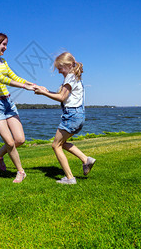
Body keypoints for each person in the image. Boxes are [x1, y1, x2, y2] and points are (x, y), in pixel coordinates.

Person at [0, 32, 35, 183]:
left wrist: (33, 85)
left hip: (8, 103)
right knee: (10, 142)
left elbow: (14, 76)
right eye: (3, 44)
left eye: (6, 45)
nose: (5, 47)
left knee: (20, 139)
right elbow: (1, 79)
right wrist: (24, 87)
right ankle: (20, 171)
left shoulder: (3, 61)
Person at [34, 52, 96, 184]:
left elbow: (62, 98)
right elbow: (62, 95)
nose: (59, 72)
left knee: (56, 146)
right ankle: (86, 160)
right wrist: (45, 90)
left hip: (72, 116)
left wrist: (44, 93)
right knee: (62, 144)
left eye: (60, 68)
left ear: (68, 65)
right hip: (78, 116)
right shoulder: (75, 77)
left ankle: (70, 178)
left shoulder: (70, 77)